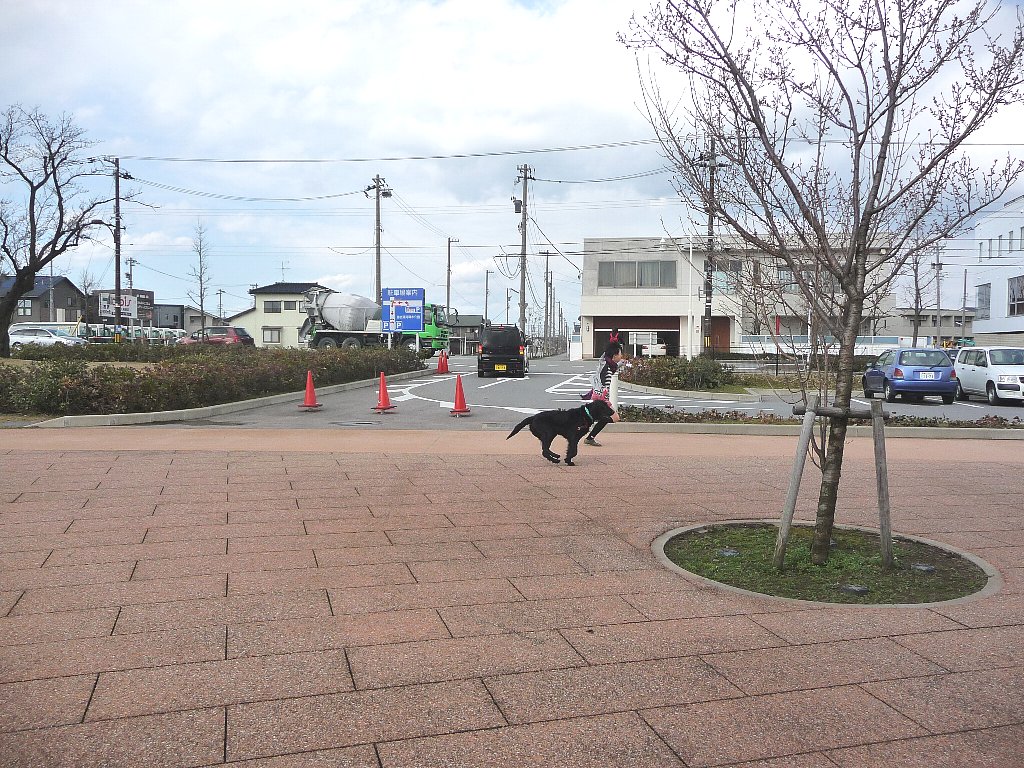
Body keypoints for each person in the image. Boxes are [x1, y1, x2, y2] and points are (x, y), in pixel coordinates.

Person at [582, 342, 623, 446]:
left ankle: (590, 435)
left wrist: (621, 363)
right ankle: (588, 434)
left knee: (606, 417)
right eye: (620, 353)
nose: (621, 355)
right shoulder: (606, 366)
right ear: (614, 355)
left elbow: (613, 368)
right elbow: (603, 374)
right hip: (601, 397)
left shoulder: (610, 366)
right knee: (615, 417)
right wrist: (603, 390)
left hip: (601, 396)